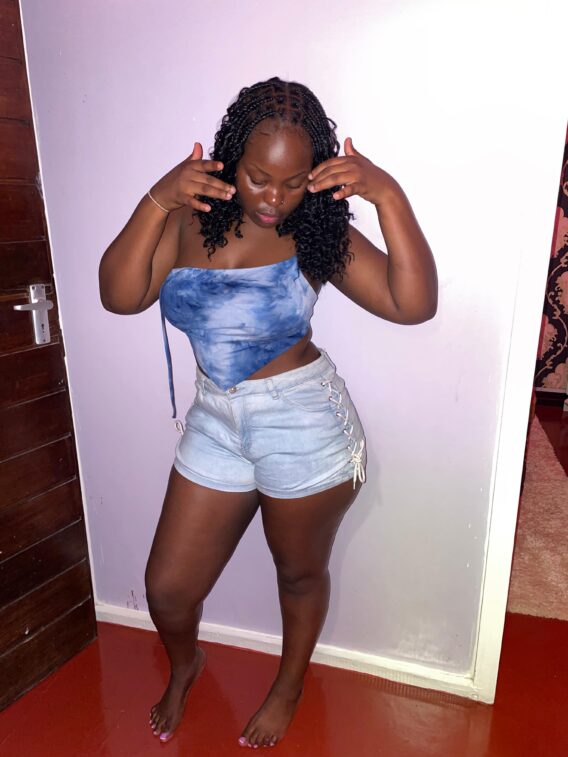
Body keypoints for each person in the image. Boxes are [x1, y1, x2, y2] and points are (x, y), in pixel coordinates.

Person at [99, 76, 437, 749]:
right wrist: (158, 197)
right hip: (215, 419)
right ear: (231, 159)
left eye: (293, 183)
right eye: (258, 178)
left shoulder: (316, 232)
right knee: (168, 589)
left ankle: (289, 683)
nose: (274, 199)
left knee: (298, 573)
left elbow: (413, 303)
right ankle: (186, 662)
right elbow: (120, 295)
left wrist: (388, 194)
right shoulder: (186, 220)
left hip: (303, 422)